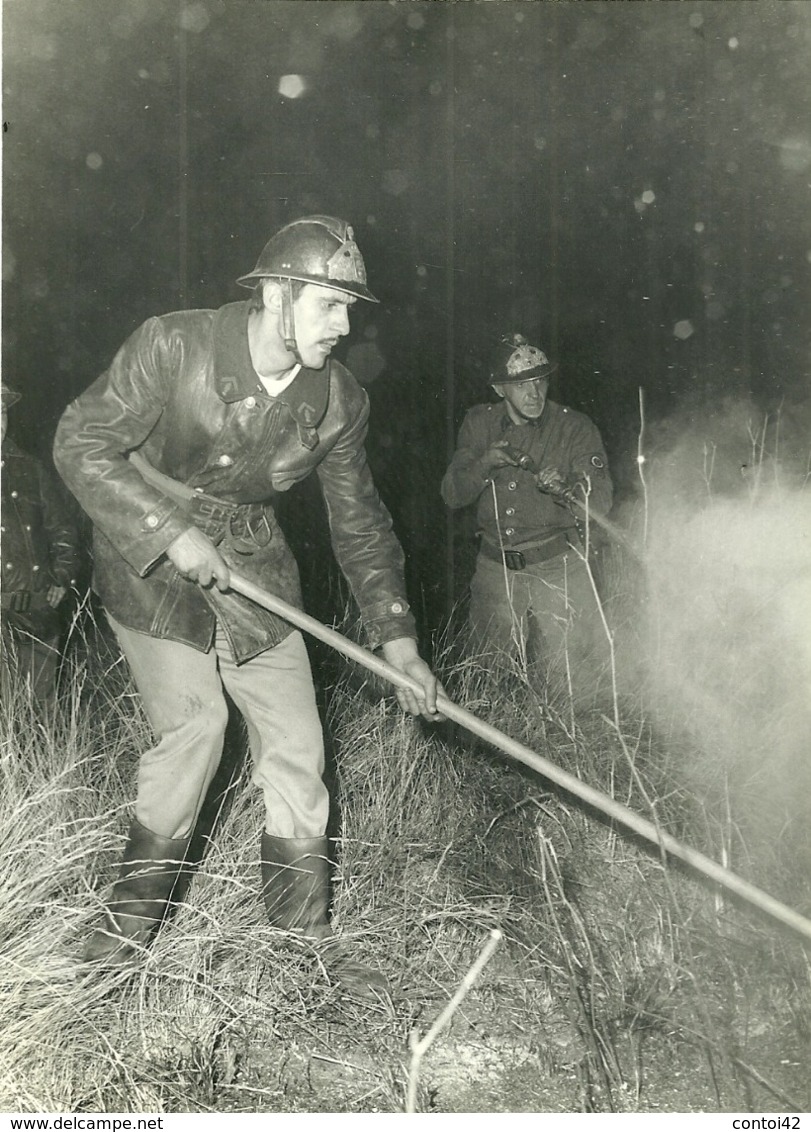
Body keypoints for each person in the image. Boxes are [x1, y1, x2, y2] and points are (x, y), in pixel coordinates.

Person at [53, 215, 443, 993]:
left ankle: (301, 948)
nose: (344, 325)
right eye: (328, 304)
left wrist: (397, 640)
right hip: (148, 565)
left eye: (349, 309)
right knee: (197, 727)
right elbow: (79, 441)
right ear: (274, 293)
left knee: (299, 743)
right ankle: (117, 949)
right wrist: (168, 531)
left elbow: (360, 524)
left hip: (256, 573)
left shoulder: (339, 400)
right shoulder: (173, 344)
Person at [441, 333, 613, 697]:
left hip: (558, 567)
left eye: (540, 380)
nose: (534, 393)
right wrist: (485, 463)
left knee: (575, 679)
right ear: (500, 389)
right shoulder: (479, 424)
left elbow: (602, 503)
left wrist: (570, 488)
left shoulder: (574, 428)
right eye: (521, 384)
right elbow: (452, 494)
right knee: (483, 679)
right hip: (495, 569)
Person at [1, 382, 80, 709]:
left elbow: (62, 529)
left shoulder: (29, 468)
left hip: (37, 611)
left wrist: (62, 577)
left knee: (39, 713)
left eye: (2, 412)